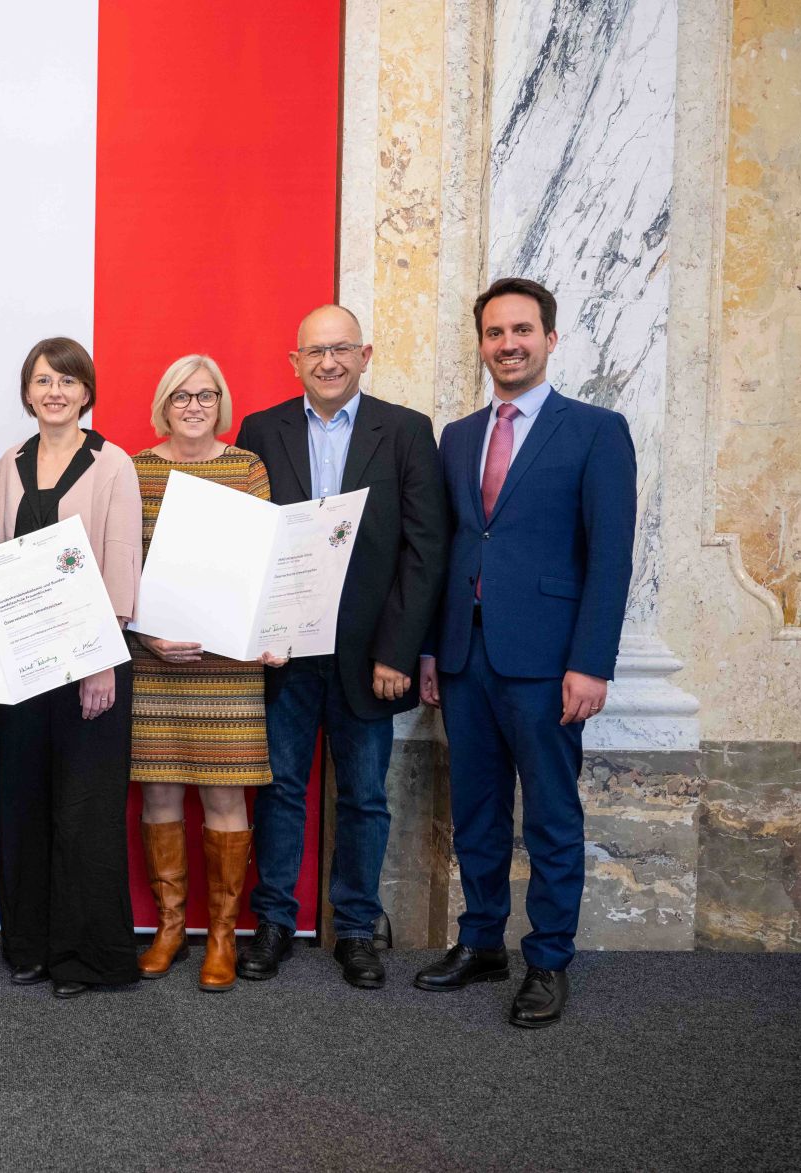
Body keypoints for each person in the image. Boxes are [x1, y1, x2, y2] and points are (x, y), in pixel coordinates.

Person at [417, 277, 636, 1028]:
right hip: (465, 657)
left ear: (549, 337)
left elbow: (610, 557)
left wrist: (592, 662)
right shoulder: (457, 437)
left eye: (522, 330)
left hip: (549, 663)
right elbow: (450, 546)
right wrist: (428, 650)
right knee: (475, 809)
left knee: (548, 814)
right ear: (480, 343)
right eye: (494, 333)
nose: (507, 344)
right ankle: (482, 941)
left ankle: (547, 958)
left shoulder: (596, 431)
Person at [234, 306, 449, 990]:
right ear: (293, 361)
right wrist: (255, 634)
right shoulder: (260, 431)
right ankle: (272, 921)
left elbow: (425, 549)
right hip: (284, 656)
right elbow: (245, 546)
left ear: (366, 354)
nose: (328, 362)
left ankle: (356, 926)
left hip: (368, 659)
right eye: (315, 352)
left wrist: (398, 650)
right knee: (279, 792)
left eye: (341, 349)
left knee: (363, 796)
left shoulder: (408, 432)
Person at [131, 355, 287, 992]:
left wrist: (265, 635)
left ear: (220, 401)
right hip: (156, 663)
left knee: (225, 795)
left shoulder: (246, 468)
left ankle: (222, 934)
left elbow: (266, 562)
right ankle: (172, 928)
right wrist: (147, 636)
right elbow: (119, 565)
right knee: (159, 793)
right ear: (163, 404)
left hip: (230, 667)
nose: (193, 406)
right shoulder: (135, 469)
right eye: (180, 396)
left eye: (205, 395)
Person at [0, 337, 142, 999]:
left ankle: (85, 957)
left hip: (91, 664)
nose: (55, 391)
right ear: (28, 391)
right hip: (23, 661)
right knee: (24, 803)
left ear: (87, 392)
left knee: (84, 810)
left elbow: (120, 564)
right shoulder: (9, 463)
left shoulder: (112, 464)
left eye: (68, 381)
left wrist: (101, 662)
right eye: (43, 380)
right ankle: (28, 944)